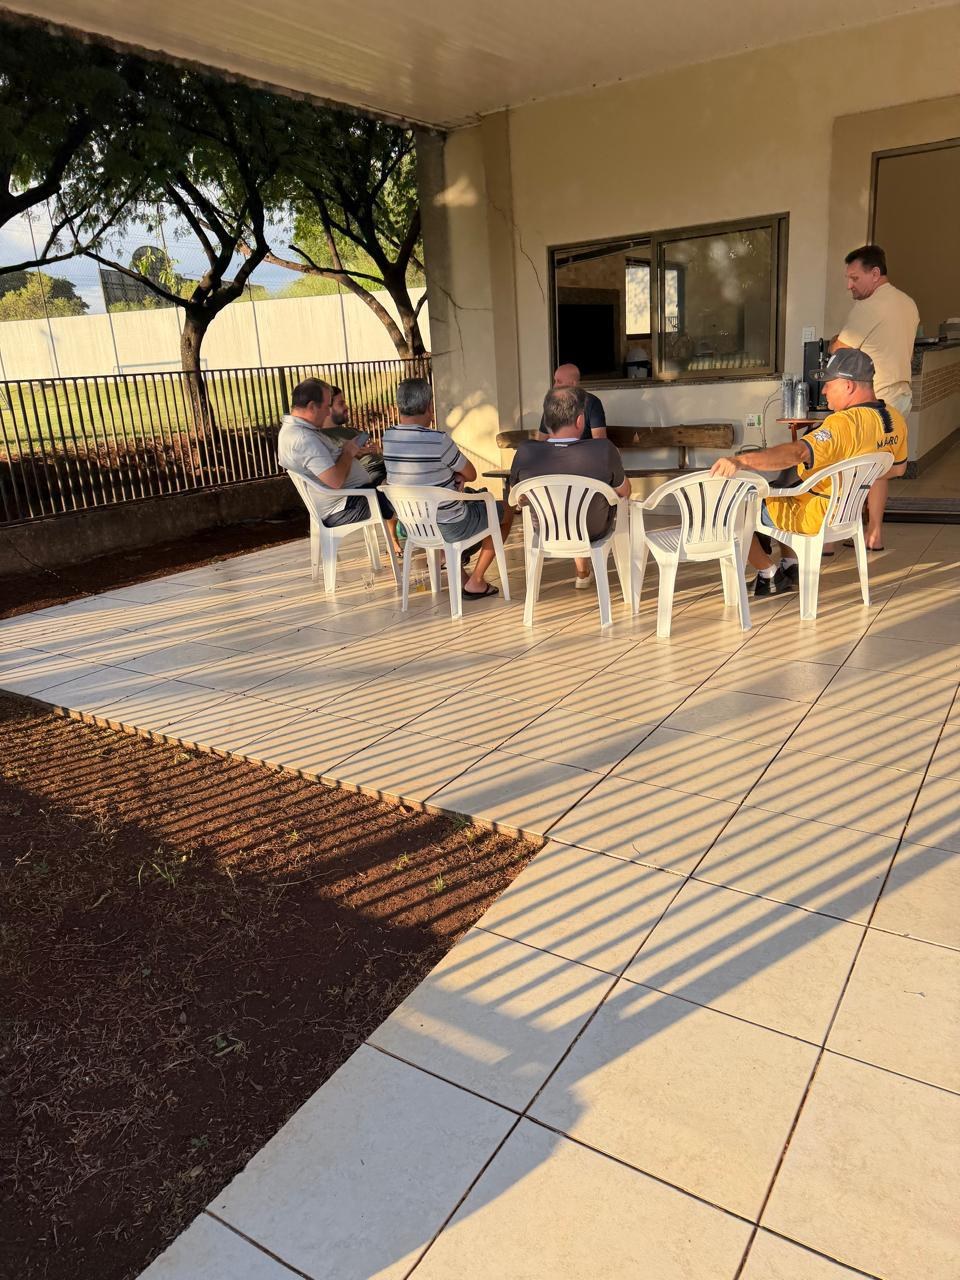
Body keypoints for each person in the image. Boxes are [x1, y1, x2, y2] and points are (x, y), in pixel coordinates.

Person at [709, 349, 907, 596]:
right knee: (782, 490)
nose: (824, 391)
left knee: (734, 507)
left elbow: (798, 453)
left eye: (829, 384)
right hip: (846, 514)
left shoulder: (844, 424)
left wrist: (741, 460)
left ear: (848, 385)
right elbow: (898, 468)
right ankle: (790, 566)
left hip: (814, 515)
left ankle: (768, 575)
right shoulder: (894, 418)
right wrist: (855, 477)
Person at [381, 377, 513, 600]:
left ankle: (457, 572)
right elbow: (471, 473)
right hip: (450, 526)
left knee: (460, 502)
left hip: (415, 525)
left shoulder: (388, 437)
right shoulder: (438, 440)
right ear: (429, 407)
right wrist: (458, 475)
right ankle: (476, 581)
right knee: (506, 511)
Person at [831, 245, 918, 549]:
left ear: (875, 273)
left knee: (844, 462)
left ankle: (838, 533)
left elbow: (839, 350)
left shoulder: (870, 305)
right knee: (878, 466)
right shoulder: (908, 303)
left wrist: (834, 341)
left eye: (855, 278)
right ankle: (874, 533)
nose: (849, 285)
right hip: (900, 395)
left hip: (872, 396)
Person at [511, 385, 630, 589]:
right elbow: (624, 491)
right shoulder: (603, 450)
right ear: (580, 420)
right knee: (600, 504)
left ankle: (581, 571)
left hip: (546, 530)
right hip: (593, 530)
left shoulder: (525, 452)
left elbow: (518, 499)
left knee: (566, 508)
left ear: (546, 422)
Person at [277, 377, 394, 530]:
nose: (328, 413)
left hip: (352, 498)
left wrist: (349, 452)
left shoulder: (296, 431)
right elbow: (335, 481)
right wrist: (347, 453)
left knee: (401, 488)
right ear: (312, 406)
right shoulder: (304, 439)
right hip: (347, 506)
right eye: (327, 406)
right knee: (407, 496)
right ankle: (420, 536)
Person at [537, 363, 607, 439]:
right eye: (555, 381)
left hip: (583, 447)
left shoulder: (592, 402)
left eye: (559, 382)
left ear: (573, 384)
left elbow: (599, 440)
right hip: (555, 446)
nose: (555, 386)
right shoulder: (552, 402)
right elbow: (542, 439)